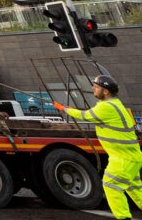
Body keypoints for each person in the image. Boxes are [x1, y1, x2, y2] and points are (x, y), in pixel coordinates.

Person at [56, 74, 141, 218]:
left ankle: (123, 217)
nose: (93, 88)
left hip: (122, 158)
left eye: (96, 86)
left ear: (106, 91)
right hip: (129, 156)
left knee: (111, 186)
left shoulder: (107, 107)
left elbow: (85, 116)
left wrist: (64, 109)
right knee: (134, 188)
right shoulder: (113, 104)